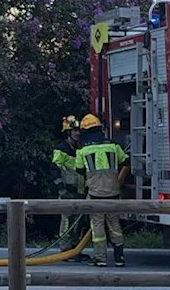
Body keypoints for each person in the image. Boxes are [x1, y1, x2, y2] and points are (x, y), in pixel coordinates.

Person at [74, 113, 127, 266]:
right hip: (113, 192)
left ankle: (101, 259)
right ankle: (119, 258)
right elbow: (126, 160)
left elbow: (79, 170)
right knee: (114, 224)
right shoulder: (113, 146)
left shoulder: (83, 150)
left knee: (97, 227)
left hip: (95, 193)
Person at [52, 115, 89, 260]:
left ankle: (75, 249)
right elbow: (54, 169)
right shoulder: (62, 149)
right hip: (67, 191)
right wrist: (61, 188)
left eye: (79, 130)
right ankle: (65, 249)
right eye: (74, 131)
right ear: (68, 132)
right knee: (67, 221)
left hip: (80, 191)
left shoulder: (82, 148)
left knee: (79, 222)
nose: (77, 133)